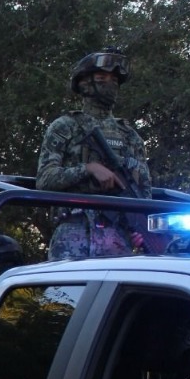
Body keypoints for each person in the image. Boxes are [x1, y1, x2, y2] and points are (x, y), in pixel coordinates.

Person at [36, 47, 154, 260]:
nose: (111, 85)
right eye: (102, 78)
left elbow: (144, 195)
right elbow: (45, 180)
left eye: (115, 80)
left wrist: (141, 230)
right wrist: (89, 169)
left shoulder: (130, 136)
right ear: (84, 84)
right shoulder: (65, 127)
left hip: (118, 238)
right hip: (73, 232)